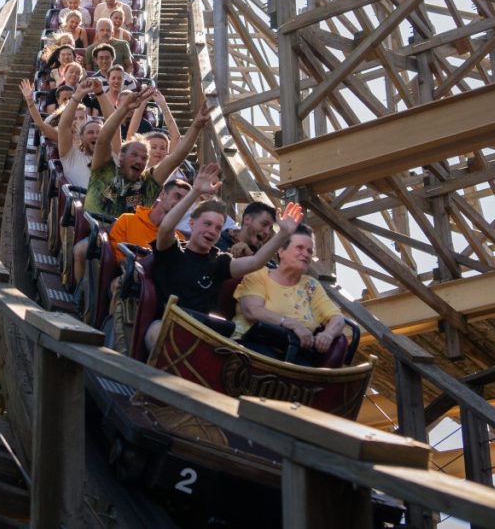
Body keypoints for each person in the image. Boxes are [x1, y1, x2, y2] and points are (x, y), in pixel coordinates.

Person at [143, 163, 304, 349]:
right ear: (192, 224)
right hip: (167, 324)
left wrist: (283, 234)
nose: (212, 231)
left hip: (202, 330)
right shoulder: (172, 251)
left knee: (235, 352)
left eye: (218, 228)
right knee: (158, 333)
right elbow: (165, 228)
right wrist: (195, 192)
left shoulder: (219, 262)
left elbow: (256, 262)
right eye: (207, 224)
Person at [84, 92, 211, 221]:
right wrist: (123, 109)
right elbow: (103, 140)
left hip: (129, 239)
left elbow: (176, 159)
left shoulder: (148, 184)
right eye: (134, 155)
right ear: (121, 156)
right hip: (96, 236)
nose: (139, 160)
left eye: (144, 158)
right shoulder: (104, 169)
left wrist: (196, 126)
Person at [232, 224, 346, 364]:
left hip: (297, 355)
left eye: (310, 251)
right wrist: (292, 324)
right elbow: (252, 311)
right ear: (281, 251)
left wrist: (328, 334)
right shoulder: (258, 275)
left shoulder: (311, 285)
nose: (306, 254)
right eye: (299, 248)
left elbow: (338, 318)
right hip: (252, 348)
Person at [57, 78, 118, 188]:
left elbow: (114, 122)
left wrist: (99, 92)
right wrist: (78, 94)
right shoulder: (71, 157)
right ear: (82, 137)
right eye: (90, 132)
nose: (95, 135)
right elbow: (64, 126)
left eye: (99, 132)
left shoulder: (113, 156)